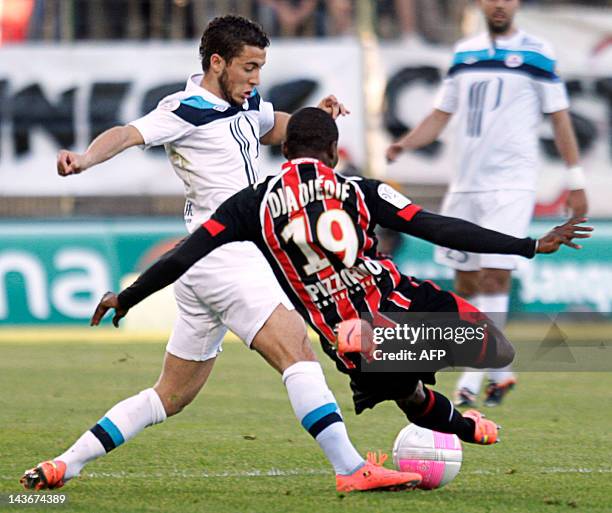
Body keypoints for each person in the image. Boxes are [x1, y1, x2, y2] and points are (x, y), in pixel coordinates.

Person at [21, 16, 420, 494]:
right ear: (217, 63)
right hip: (227, 256)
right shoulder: (184, 108)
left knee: (170, 395)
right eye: (249, 68)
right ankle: (352, 467)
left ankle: (65, 463)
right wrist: (84, 158)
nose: (256, 79)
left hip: (204, 265)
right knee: (296, 348)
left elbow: (280, 129)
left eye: (260, 68)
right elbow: (127, 133)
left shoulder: (246, 103)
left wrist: (319, 120)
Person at [89, 108, 591, 454]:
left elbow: (184, 254)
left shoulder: (249, 205)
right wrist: (528, 244)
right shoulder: (359, 190)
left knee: (411, 397)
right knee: (494, 349)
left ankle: (460, 423)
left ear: (284, 151)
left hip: (346, 339)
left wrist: (128, 297)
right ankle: (452, 394)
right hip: (398, 300)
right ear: (332, 152)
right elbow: (436, 225)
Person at [386, 0, 588, 407]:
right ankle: (501, 372)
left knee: (494, 276)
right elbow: (441, 115)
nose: (500, 4)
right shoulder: (464, 53)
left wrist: (575, 179)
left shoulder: (538, 53)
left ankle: (472, 379)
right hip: (465, 185)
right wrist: (405, 143)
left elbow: (560, 118)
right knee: (466, 284)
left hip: (511, 184)